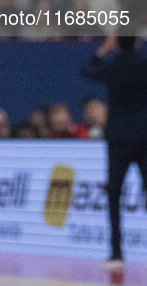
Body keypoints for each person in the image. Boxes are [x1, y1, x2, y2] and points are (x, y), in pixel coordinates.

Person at [82, 36, 147, 269]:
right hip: (144, 135)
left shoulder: (113, 65)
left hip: (119, 138)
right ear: (138, 42)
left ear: (117, 43)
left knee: (114, 194)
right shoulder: (143, 64)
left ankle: (116, 252)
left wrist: (103, 50)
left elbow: (87, 70)